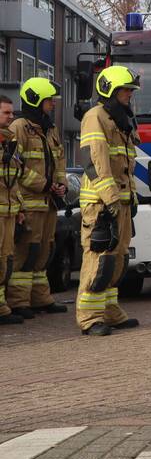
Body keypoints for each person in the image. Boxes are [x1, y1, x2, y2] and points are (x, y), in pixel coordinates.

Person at [76, 66, 141, 336]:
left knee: (118, 258)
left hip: (120, 202)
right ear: (111, 91)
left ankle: (109, 311)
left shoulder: (119, 120)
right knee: (98, 259)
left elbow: (127, 164)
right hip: (101, 204)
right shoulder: (95, 118)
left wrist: (131, 197)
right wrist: (112, 199)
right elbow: (95, 163)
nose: (129, 95)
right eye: (126, 90)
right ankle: (90, 317)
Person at [7, 78, 67, 318]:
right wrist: (45, 184)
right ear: (35, 101)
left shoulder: (49, 128)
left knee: (44, 251)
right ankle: (19, 302)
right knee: (26, 252)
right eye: (48, 101)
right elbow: (15, 165)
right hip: (30, 203)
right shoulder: (19, 127)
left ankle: (41, 298)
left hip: (49, 203)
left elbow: (59, 159)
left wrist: (61, 184)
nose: (52, 105)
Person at [0, 96, 25, 325]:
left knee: (5, 259)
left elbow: (13, 180)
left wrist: (18, 208)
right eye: (6, 113)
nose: (11, 117)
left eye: (11, 113)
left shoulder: (9, 141)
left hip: (8, 212)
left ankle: (1, 308)